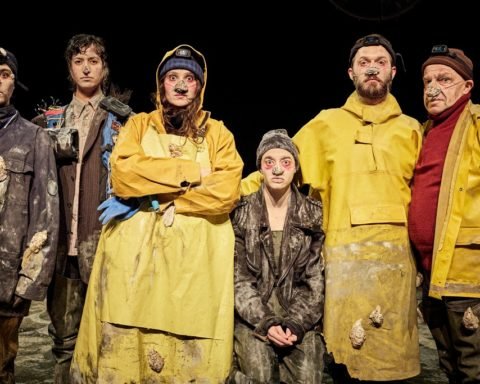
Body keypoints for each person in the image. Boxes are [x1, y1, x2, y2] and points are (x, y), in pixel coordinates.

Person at [241, 33, 422, 382]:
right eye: (363, 62)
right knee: (347, 363)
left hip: (396, 269)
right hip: (344, 266)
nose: (372, 68)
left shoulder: (412, 130)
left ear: (394, 72)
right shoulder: (327, 124)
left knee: (397, 367)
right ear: (350, 72)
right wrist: (221, 194)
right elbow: (277, 166)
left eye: (381, 62)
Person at [70, 44, 243, 382]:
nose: (180, 85)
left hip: (194, 268)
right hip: (135, 266)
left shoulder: (218, 134)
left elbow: (225, 192)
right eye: (173, 77)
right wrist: (194, 173)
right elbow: (123, 176)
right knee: (125, 350)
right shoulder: (138, 127)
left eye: (189, 78)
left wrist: (157, 200)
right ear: (161, 84)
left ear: (200, 86)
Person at [32, 33, 130, 383]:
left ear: (104, 69)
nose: (86, 68)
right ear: (69, 69)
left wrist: (131, 204)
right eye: (78, 61)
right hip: (61, 242)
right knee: (63, 338)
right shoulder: (50, 121)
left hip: (103, 238)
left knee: (106, 335)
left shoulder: (123, 121)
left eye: (93, 61)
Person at [229, 129, 325, 383]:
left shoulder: (312, 214)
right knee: (260, 374)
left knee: (308, 376)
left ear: (295, 168)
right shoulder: (242, 212)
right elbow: (240, 281)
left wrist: (295, 323)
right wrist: (266, 323)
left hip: (298, 317)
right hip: (254, 319)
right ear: (260, 167)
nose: (278, 170)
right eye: (269, 162)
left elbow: (314, 282)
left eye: (286, 162)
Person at [409, 45, 480, 383]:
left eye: (444, 79)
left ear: (467, 86)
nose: (432, 88)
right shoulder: (423, 132)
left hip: (469, 277)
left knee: (473, 368)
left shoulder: (477, 124)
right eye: (426, 81)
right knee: (449, 368)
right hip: (433, 277)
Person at [0, 47, 59, 383]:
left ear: (13, 82)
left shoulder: (33, 138)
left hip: (5, 287)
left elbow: (46, 217)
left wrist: (29, 282)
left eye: (4, 74)